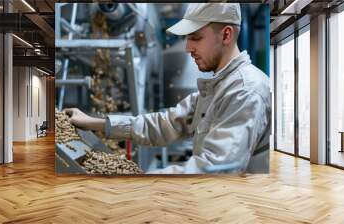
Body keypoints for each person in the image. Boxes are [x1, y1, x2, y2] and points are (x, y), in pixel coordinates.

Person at [65, 3, 271, 174]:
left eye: (196, 37)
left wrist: (132, 177)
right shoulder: (215, 88)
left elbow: (215, 170)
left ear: (226, 35)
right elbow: (164, 124)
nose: (188, 48)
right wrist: (93, 123)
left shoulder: (245, 90)